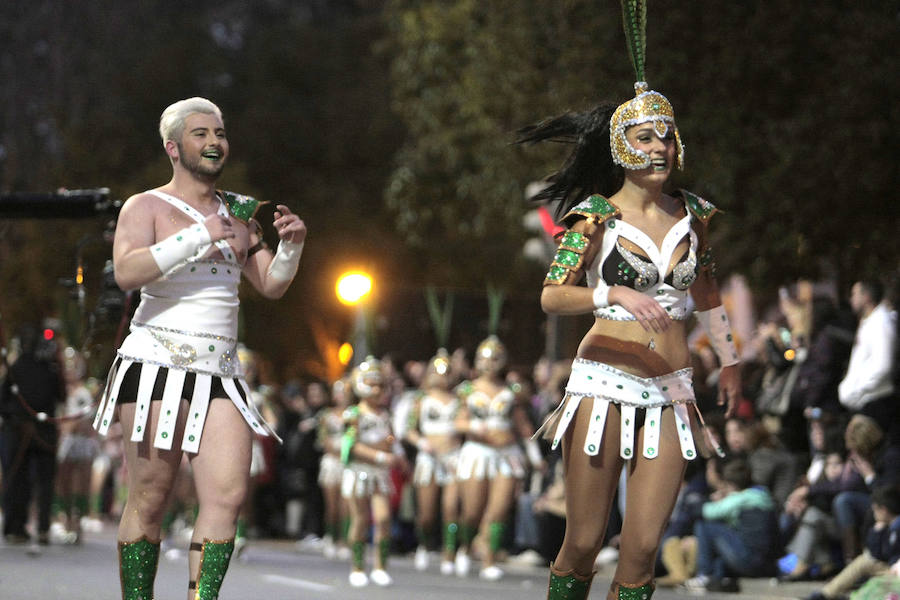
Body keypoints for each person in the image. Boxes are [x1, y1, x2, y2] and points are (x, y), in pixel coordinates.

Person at [518, 3, 741, 597]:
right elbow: (551, 297)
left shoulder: (695, 214)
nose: (661, 147)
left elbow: (710, 293)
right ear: (621, 146)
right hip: (602, 383)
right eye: (646, 136)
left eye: (667, 135)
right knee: (585, 543)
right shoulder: (595, 217)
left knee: (642, 552)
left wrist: (732, 361)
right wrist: (610, 290)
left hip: (673, 390)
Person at [90, 97, 306, 600]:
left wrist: (291, 246)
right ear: (172, 147)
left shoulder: (239, 210)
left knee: (228, 495)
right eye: (201, 134)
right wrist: (196, 237)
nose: (214, 143)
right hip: (155, 364)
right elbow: (126, 271)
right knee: (150, 495)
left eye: (220, 134)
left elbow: (271, 285)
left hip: (222, 372)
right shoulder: (144, 205)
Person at [454, 335, 544, 581]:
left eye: (496, 358)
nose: (490, 363)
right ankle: (464, 547)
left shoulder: (511, 392)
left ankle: (489, 559)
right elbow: (458, 421)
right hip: (477, 454)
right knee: (472, 511)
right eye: (485, 358)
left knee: (499, 509)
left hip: (507, 454)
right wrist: (474, 426)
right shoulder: (467, 390)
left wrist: (535, 456)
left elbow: (523, 426)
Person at [341, 356, 407, 587]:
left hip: (380, 474)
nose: (376, 389)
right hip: (359, 472)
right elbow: (350, 446)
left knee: (384, 518)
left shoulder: (385, 415)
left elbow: (391, 440)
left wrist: (398, 454)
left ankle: (380, 566)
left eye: (380, 384)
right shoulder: (353, 414)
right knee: (359, 520)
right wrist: (380, 454)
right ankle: (357, 567)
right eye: (371, 383)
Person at [0, 323, 65, 547]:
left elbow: (3, 400)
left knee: (17, 480)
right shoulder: (50, 368)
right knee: (43, 482)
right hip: (41, 431)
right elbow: (61, 396)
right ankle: (43, 527)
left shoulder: (16, 367)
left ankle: (15, 527)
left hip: (19, 430)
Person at [404, 349, 464, 574]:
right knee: (427, 513)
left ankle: (450, 552)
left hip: (453, 458)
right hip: (428, 458)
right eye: (438, 371)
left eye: (447, 372)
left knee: (451, 508)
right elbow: (409, 430)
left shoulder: (460, 399)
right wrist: (421, 443)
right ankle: (424, 545)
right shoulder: (421, 399)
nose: (442, 376)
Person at [681, 458, 779, 594]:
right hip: (767, 564)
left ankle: (704, 575)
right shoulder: (763, 495)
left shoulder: (739, 499)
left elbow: (705, 511)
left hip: (749, 560)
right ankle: (719, 578)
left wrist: (710, 499)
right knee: (722, 556)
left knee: (706, 525)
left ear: (731, 484)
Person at [838, 280, 897, 427]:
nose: (851, 299)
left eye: (854, 294)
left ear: (866, 297)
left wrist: (856, 390)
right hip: (866, 403)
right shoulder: (869, 322)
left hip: (876, 403)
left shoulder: (881, 322)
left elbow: (883, 366)